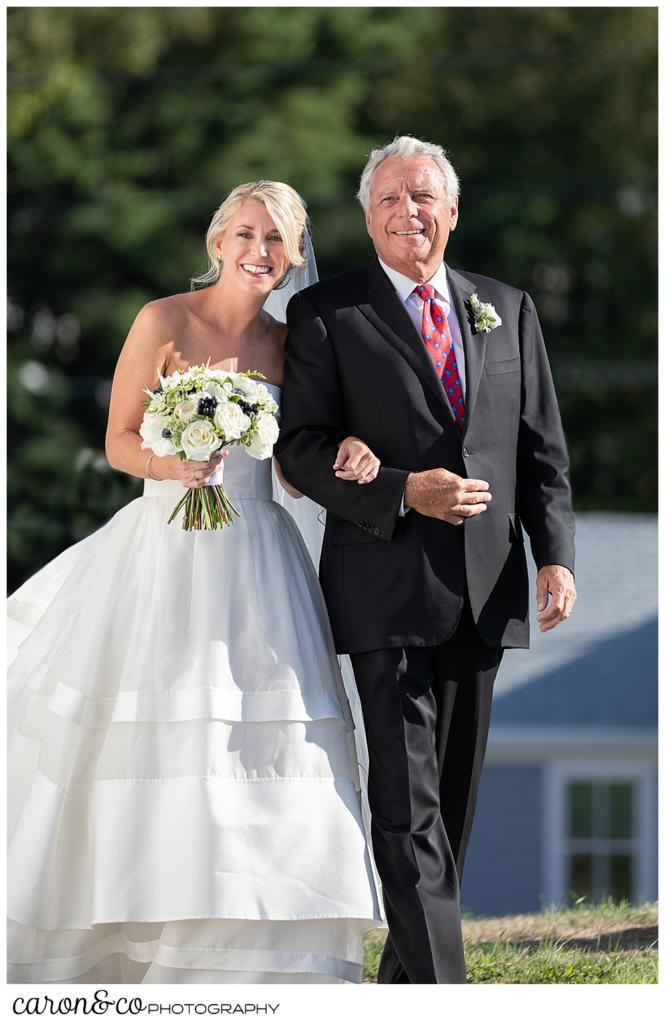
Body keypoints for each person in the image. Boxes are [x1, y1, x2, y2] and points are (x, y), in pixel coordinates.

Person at [7, 180, 383, 984]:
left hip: (258, 560)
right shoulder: (162, 321)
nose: (260, 252)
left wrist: (348, 452)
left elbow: (291, 465)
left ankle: (261, 953)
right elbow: (115, 439)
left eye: (277, 240)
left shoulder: (291, 341)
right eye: (246, 234)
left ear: (293, 255)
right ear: (218, 241)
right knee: (152, 734)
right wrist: (170, 463)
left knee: (260, 743)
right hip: (162, 554)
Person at [275, 136, 577, 984]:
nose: (407, 211)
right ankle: (446, 994)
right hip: (383, 582)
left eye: (422, 197)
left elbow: (540, 450)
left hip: (487, 587)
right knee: (406, 808)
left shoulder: (506, 306)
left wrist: (554, 556)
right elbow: (299, 449)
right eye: (389, 200)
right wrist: (403, 490)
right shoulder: (327, 314)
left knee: (450, 807)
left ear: (451, 210)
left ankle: (403, 986)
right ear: (367, 217)